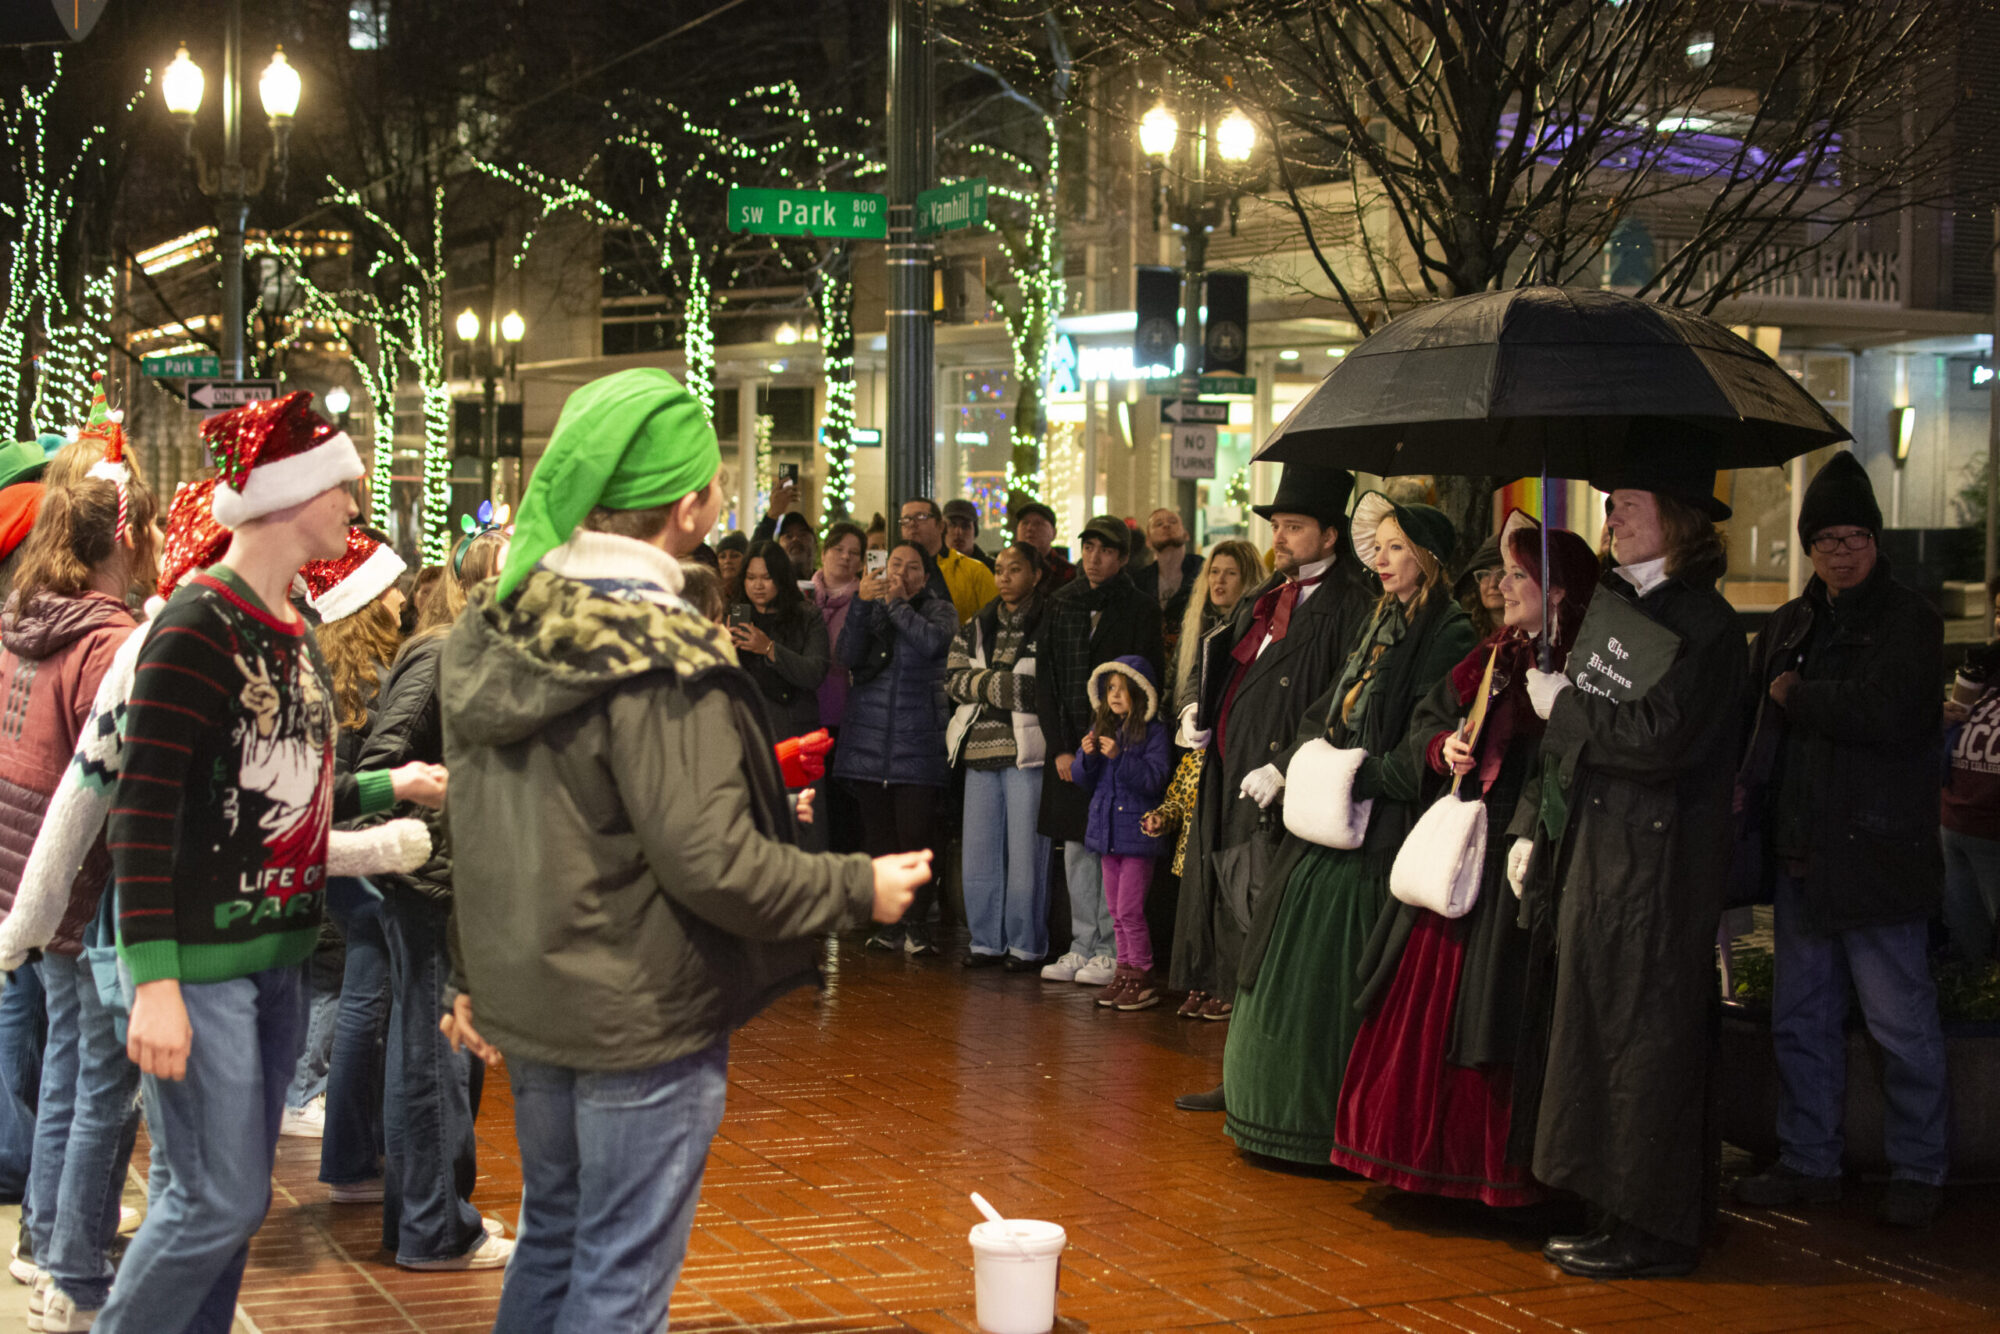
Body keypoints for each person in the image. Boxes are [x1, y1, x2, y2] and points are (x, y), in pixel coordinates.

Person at [437, 367, 927, 1334]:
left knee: (554, 1239)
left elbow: (482, 826)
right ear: (690, 507)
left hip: (534, 994)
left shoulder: (495, 628)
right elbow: (710, 861)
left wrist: (467, 975)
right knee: (618, 1283)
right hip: (638, 1011)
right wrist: (855, 885)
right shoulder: (662, 653)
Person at [101, 391, 446, 1333]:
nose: (355, 510)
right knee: (211, 1203)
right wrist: (154, 981)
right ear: (293, 496)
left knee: (233, 1205)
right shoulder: (195, 625)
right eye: (345, 490)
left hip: (277, 960)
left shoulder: (293, 630)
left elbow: (285, 793)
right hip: (202, 966)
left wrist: (391, 785)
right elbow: (142, 809)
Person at [1510, 434, 1747, 1279]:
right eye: (1610, 507)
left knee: (1647, 1042)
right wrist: (1535, 827)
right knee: (1598, 1033)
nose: (1612, 519)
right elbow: (1580, 750)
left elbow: (1662, 740)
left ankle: (1654, 1225)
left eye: (1629, 506)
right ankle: (1608, 1207)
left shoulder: (1708, 626)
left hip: (1659, 865)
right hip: (1597, 855)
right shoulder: (1617, 605)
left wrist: (1567, 708)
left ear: (1677, 520)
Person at [1329, 512, 1599, 1207]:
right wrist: (1441, 746)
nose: (1502, 587)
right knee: (1431, 997)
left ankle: (1497, 1172)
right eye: (1503, 574)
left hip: (1527, 853)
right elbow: (1431, 717)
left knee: (1496, 1005)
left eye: (1517, 575)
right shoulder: (1496, 653)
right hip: (1468, 845)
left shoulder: (1581, 664)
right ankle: (1419, 1160)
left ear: (1557, 590)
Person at [1222, 493, 1473, 1165]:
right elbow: (1328, 706)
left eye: (1397, 548)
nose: (1382, 560)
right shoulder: (1379, 618)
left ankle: (1324, 1131)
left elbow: (1420, 738)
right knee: (1283, 966)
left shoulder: (1446, 631)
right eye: (1379, 548)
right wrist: (1293, 763)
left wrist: (1356, 775)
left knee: (1333, 981)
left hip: (1378, 830)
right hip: (1329, 815)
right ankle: (1268, 1115)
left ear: (1428, 558)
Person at [1733, 451, 1949, 1230]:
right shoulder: (1792, 622)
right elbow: (1753, 711)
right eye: (1826, 539)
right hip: (1804, 853)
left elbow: (1891, 713)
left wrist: (1801, 696)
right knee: (1801, 1017)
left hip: (1879, 856)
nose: (1841, 552)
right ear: (1808, 547)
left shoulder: (1910, 619)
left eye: (1855, 537)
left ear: (1876, 540)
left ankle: (1920, 1168)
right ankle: (1807, 1160)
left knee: (1901, 1023)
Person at [0, 429, 157, 1330]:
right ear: (124, 537)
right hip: (83, 887)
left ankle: (46, 1234)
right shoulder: (108, 641)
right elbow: (109, 782)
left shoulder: (30, 617)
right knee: (100, 1079)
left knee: (67, 1064)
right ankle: (73, 1259)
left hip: (29, 875)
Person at [1171, 464, 1372, 1097]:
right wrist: (1193, 707)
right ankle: (1238, 1077)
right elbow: (1219, 659)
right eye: (1277, 525)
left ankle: (1260, 1084)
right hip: (1229, 781)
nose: (1278, 538)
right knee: (1231, 925)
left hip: (1282, 793)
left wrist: (1286, 765)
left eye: (1294, 526)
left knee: (1265, 933)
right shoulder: (1267, 595)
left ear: (1330, 536)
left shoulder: (1350, 605)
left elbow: (1345, 699)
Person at [354, 527, 515, 1272]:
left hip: (452, 878)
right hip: (431, 881)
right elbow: (382, 762)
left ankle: (423, 1217)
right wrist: (416, 844)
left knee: (434, 1054)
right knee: (433, 1056)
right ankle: (435, 1228)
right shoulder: (442, 650)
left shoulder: (477, 651)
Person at [297, 531, 409, 1208]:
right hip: (359, 859)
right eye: (390, 589)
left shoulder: (328, 668)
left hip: (336, 858)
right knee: (366, 1000)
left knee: (360, 997)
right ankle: (352, 1159)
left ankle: (351, 1155)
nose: (401, 599)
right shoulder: (371, 679)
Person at [1035, 516, 1166, 988]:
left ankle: (1112, 951)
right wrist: (1060, 749)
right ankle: (1081, 942)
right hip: (1073, 746)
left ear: (1124, 557)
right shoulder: (1061, 601)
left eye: (1106, 550)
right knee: (1077, 847)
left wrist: (1125, 741)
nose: (1094, 558)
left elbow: (1148, 680)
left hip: (1120, 743)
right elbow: (1046, 681)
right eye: (1088, 547)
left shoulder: (1139, 606)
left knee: (1117, 846)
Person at [833, 540, 958, 954]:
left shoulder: (939, 609)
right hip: (868, 741)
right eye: (895, 564)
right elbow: (847, 654)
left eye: (912, 567)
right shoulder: (868, 604)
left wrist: (896, 604)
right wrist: (861, 603)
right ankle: (889, 923)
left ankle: (917, 923)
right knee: (880, 838)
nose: (901, 572)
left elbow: (932, 644)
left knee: (917, 837)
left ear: (926, 576)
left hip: (918, 741)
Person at [947, 541, 1048, 969]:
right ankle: (986, 941)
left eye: (1015, 569)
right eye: (999, 569)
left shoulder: (1047, 621)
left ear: (1036, 575)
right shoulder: (978, 623)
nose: (1004, 577)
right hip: (978, 749)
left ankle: (1026, 946)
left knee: (1027, 855)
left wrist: (983, 683)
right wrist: (998, 683)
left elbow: (1039, 690)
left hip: (1028, 752)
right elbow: (953, 680)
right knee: (979, 853)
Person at [1073, 656, 1174, 1009]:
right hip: (1108, 836)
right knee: (1116, 911)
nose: (1115, 694)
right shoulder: (1101, 727)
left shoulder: (1153, 732)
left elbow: (1155, 779)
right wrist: (1087, 757)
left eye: (1123, 688)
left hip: (1137, 837)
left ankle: (1142, 975)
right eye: (1110, 688)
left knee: (1130, 910)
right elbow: (1083, 779)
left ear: (1140, 693)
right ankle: (1124, 970)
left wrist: (1120, 757)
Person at [1942, 579, 2000, 963]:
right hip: (1955, 825)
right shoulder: (1987, 671)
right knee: (1968, 946)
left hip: (1993, 829)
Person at [727, 540, 829, 743]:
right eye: (751, 577)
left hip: (792, 728)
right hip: (745, 727)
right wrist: (723, 646)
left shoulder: (806, 616)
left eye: (767, 578)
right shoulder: (733, 615)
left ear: (781, 578)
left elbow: (814, 673)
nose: (758, 585)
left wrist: (769, 648)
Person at [1167, 540, 1260, 722]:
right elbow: (1173, 683)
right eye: (1214, 571)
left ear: (1248, 579)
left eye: (1231, 573)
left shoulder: (1256, 630)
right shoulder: (1195, 622)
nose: (1219, 580)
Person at [900, 497, 996, 625]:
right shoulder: (895, 570)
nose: (912, 524)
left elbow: (994, 622)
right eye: (906, 520)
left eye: (921, 517)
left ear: (940, 526)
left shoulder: (977, 571)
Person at [1132, 508, 1204, 660]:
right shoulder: (1139, 581)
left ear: (1186, 534)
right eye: (1158, 524)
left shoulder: (1203, 572)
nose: (1166, 526)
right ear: (1148, 541)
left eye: (1173, 522)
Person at [1010, 500, 1075, 592]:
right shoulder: (1005, 569)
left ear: (1054, 533)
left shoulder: (1068, 573)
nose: (1030, 528)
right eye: (1025, 523)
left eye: (1038, 523)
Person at [1453, 531, 1506, 641]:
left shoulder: (1532, 638)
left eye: (1501, 574)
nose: (1493, 584)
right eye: (1485, 574)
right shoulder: (1463, 636)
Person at [942, 498, 995, 569]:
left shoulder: (991, 569)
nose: (958, 532)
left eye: (965, 526)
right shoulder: (933, 567)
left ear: (975, 531)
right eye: (952, 525)